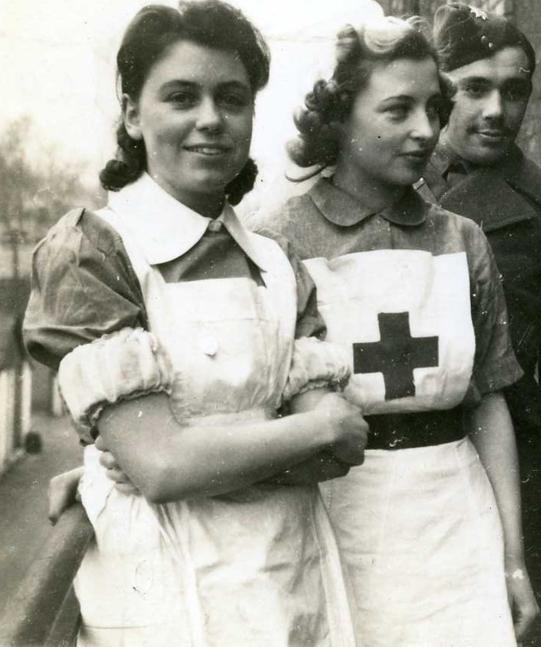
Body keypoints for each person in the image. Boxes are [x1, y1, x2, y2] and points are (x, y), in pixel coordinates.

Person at [23, 3, 367, 646]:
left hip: (287, 585)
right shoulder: (94, 252)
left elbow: (340, 452)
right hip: (162, 598)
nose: (210, 119)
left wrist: (188, 456)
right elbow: (161, 468)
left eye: (231, 98)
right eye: (182, 97)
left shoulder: (277, 262)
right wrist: (310, 425)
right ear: (132, 113)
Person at [248, 16, 539, 647]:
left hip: (454, 522)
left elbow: (488, 401)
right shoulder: (279, 242)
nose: (426, 131)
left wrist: (512, 559)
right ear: (341, 116)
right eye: (397, 109)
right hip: (334, 514)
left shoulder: (462, 239)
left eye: (433, 108)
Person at [417, 5, 541, 642]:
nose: (496, 110)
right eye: (474, 88)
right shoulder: (388, 186)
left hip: (516, 479)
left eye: (515, 90)